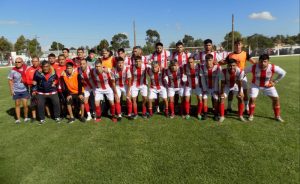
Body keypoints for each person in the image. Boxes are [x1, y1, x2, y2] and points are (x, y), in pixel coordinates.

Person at [244, 54, 286, 122]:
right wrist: (242, 78)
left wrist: (275, 81)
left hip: (268, 86)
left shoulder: (272, 67)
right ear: (258, 61)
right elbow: (243, 71)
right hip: (255, 85)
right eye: (261, 61)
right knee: (252, 99)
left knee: (276, 99)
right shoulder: (253, 67)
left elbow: (283, 73)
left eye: (265, 61)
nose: (262, 63)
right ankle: (251, 115)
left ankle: (277, 116)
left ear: (268, 62)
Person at [223, 39, 257, 114]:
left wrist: (261, 63)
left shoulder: (245, 54)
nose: (237, 46)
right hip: (232, 77)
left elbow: (253, 62)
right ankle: (229, 107)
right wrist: (216, 63)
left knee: (244, 92)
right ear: (234, 46)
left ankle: (246, 108)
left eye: (239, 44)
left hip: (242, 76)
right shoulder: (230, 55)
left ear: (241, 45)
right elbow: (224, 62)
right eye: (236, 45)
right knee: (231, 91)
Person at [219, 58, 245, 123]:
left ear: (236, 65)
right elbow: (222, 83)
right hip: (227, 85)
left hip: (236, 85)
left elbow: (240, 82)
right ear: (227, 65)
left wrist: (240, 92)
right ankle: (222, 116)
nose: (231, 67)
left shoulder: (241, 71)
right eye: (230, 65)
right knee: (222, 98)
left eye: (233, 65)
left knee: (241, 98)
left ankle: (240, 115)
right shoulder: (223, 71)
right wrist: (222, 92)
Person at [8, 57, 30, 124]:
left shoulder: (27, 69)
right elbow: (10, 80)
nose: (17, 63)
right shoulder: (13, 70)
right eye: (16, 62)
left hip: (25, 90)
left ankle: (26, 118)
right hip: (16, 90)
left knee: (25, 105)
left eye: (19, 62)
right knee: (17, 104)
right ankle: (18, 119)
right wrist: (12, 90)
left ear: (22, 62)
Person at [200, 54, 222, 121]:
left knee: (216, 99)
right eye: (207, 60)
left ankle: (216, 114)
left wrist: (216, 89)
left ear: (213, 60)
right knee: (204, 98)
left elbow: (219, 79)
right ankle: (205, 113)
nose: (208, 62)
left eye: (210, 60)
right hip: (206, 87)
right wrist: (204, 89)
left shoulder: (218, 67)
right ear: (205, 61)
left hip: (215, 87)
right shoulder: (202, 67)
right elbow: (202, 79)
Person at [25, 56, 40, 122]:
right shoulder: (29, 70)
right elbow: (26, 80)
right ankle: (34, 117)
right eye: (33, 61)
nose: (34, 62)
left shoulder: (42, 68)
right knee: (33, 103)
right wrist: (31, 82)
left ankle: (41, 115)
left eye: (36, 61)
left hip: (41, 88)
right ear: (31, 62)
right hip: (32, 88)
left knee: (41, 102)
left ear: (39, 61)